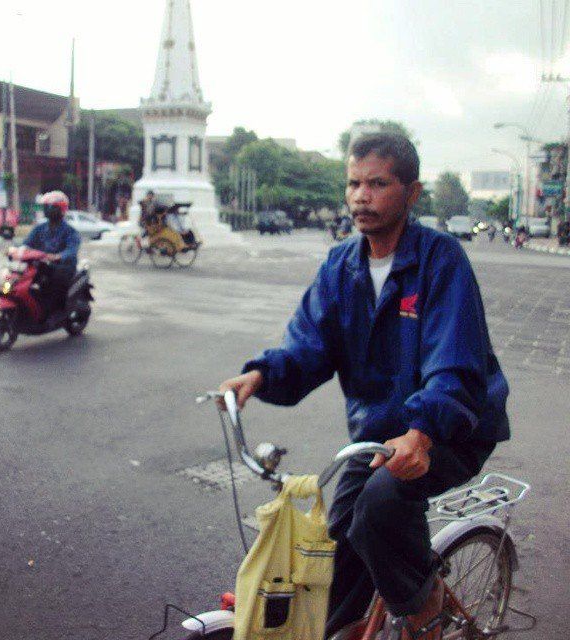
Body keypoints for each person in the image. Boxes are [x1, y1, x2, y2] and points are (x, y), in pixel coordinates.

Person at [218, 133, 509, 640]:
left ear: (411, 193)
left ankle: (426, 615)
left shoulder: (441, 261)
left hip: (450, 429)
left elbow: (454, 365)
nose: (360, 195)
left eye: (378, 183)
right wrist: (261, 374)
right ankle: (348, 625)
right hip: (375, 436)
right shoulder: (340, 266)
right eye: (353, 183)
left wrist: (422, 430)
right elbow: (309, 346)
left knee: (379, 507)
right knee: (336, 543)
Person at [23, 190, 80, 315]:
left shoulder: (70, 231)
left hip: (63, 267)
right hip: (43, 264)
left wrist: (58, 256)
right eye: (46, 207)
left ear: (60, 210)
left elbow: (72, 250)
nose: (47, 210)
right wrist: (16, 250)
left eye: (51, 207)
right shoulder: (40, 228)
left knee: (54, 282)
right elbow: (26, 243)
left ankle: (56, 311)